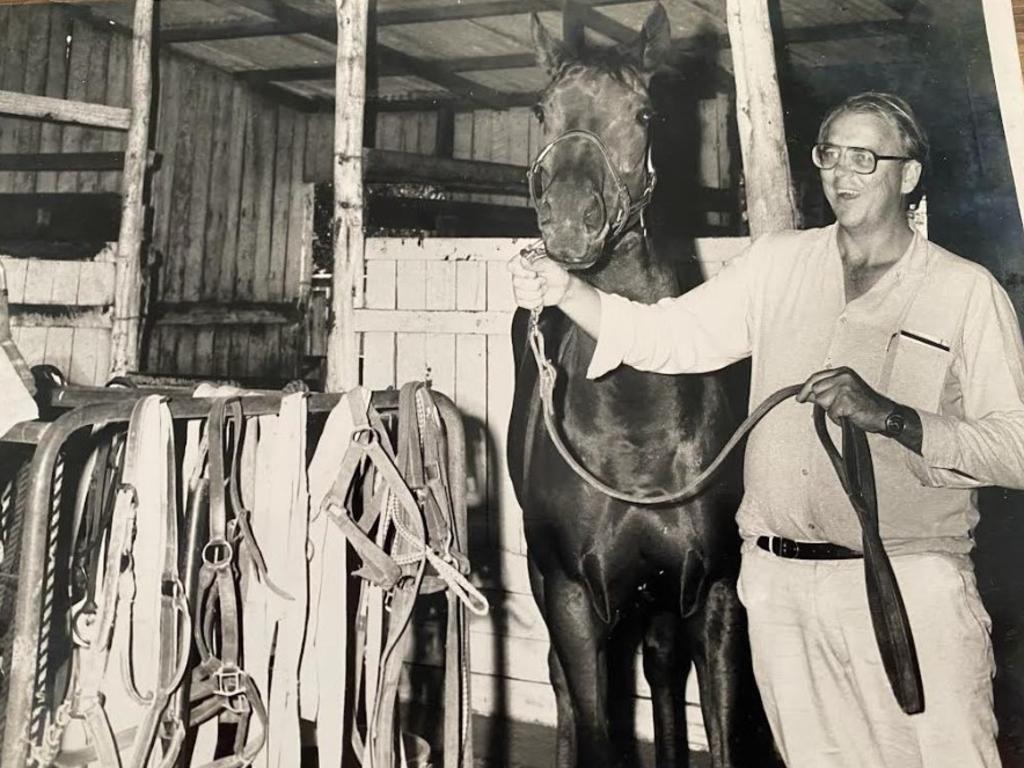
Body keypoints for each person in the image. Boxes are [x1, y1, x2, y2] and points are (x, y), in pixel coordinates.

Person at [509, 91, 1024, 768]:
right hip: (780, 592)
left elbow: (1015, 448)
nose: (841, 174)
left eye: (865, 158)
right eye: (830, 154)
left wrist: (895, 418)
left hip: (908, 586)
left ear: (910, 174)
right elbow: (671, 336)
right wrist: (568, 290)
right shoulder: (779, 264)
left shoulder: (967, 291)